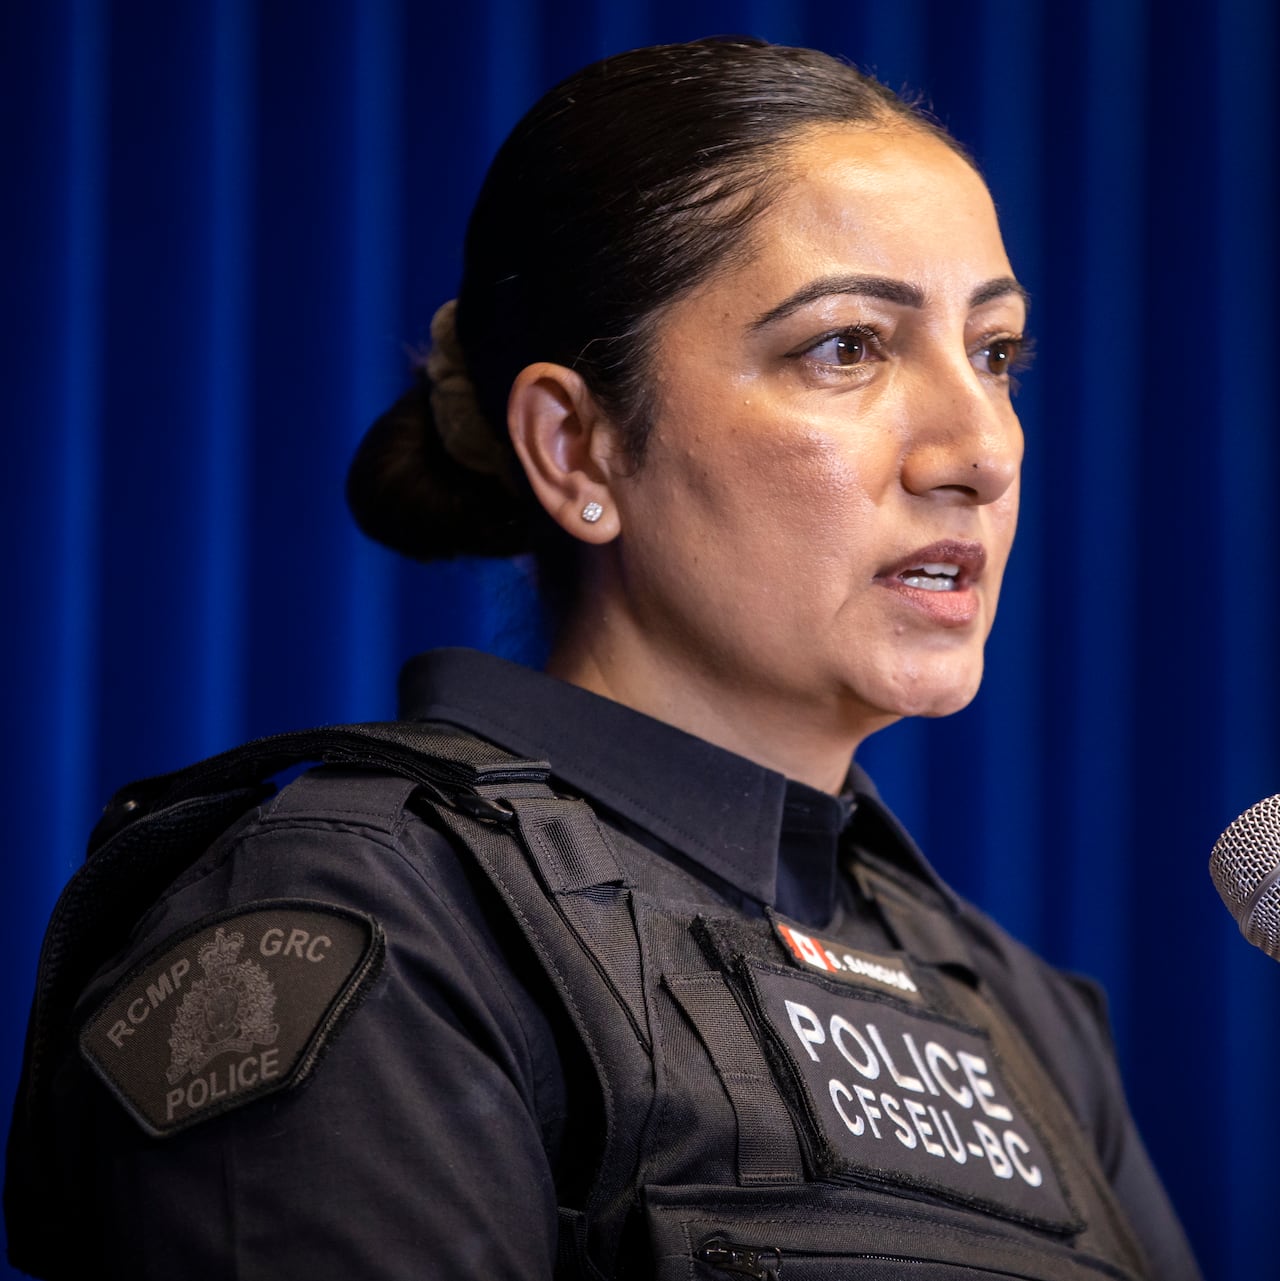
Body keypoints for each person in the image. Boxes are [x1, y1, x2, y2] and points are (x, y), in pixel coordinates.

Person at [6, 37, 1200, 1281]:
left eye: (994, 353)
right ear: (575, 448)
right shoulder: (362, 915)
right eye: (845, 347)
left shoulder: (1018, 1014)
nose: (979, 449)